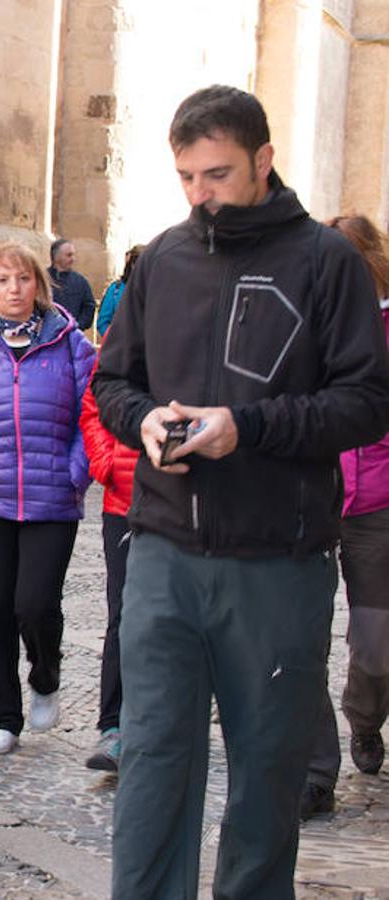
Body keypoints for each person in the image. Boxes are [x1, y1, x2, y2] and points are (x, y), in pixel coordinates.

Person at [92, 85, 389, 898]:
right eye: (186, 176)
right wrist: (146, 420)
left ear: (262, 159)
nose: (200, 194)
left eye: (217, 173)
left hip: (277, 562)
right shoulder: (161, 259)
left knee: (266, 772)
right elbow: (112, 382)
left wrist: (244, 427)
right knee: (151, 759)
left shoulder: (328, 264)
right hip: (160, 552)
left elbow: (366, 402)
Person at [0, 242, 95, 757]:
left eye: (23, 279)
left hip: (52, 495)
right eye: (2, 281)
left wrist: (77, 475)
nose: (14, 290)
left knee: (35, 603)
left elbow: (91, 414)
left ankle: (46, 674)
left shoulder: (72, 346)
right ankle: (2, 715)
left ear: (39, 284)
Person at [302, 214, 389, 816]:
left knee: (375, 640)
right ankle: (314, 773)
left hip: (374, 507)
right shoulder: (310, 321)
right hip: (308, 497)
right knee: (297, 639)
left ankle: (363, 714)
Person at [78, 340, 138, 770]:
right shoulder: (129, 329)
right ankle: (113, 726)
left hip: (194, 501)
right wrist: (108, 463)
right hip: (126, 501)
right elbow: (93, 405)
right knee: (124, 614)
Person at [94, 244, 144, 338]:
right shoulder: (115, 289)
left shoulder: (156, 290)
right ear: (132, 264)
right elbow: (103, 322)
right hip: (122, 347)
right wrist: (115, 341)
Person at [47, 238, 95, 331]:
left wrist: (78, 325)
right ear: (56, 257)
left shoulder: (80, 281)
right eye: (69, 255)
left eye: (73, 255)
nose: (73, 259)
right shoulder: (41, 279)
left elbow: (89, 307)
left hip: (72, 337)